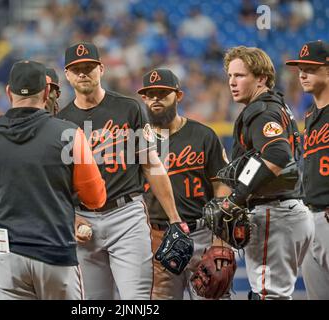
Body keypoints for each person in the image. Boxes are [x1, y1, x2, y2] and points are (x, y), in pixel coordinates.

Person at [57, 42, 187, 300]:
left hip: (127, 215)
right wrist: (70, 218)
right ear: (68, 74)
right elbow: (57, 183)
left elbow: (151, 164)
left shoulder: (128, 108)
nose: (83, 73)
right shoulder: (60, 121)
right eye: (77, 69)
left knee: (136, 299)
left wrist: (174, 218)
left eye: (89, 67)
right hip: (83, 220)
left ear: (101, 70)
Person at [0, 60, 106, 300]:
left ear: (9, 92)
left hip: (7, 256)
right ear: (45, 92)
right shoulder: (70, 133)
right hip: (55, 252)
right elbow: (95, 198)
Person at [220, 46, 314, 300]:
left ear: (261, 78)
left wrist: (236, 198)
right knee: (267, 294)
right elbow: (266, 156)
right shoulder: (274, 105)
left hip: (275, 211)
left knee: (267, 295)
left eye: (239, 75)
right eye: (230, 76)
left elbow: (277, 155)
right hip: (287, 210)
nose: (232, 82)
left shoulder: (261, 110)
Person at [138, 68, 232, 300]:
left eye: (163, 92)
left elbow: (221, 185)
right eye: (150, 94)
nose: (156, 99)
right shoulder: (137, 142)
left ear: (178, 96)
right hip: (158, 236)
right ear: (143, 98)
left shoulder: (203, 135)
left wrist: (219, 238)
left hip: (202, 232)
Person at [286, 40, 329, 300]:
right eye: (300, 68)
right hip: (311, 219)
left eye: (311, 68)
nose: (302, 74)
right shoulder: (311, 115)